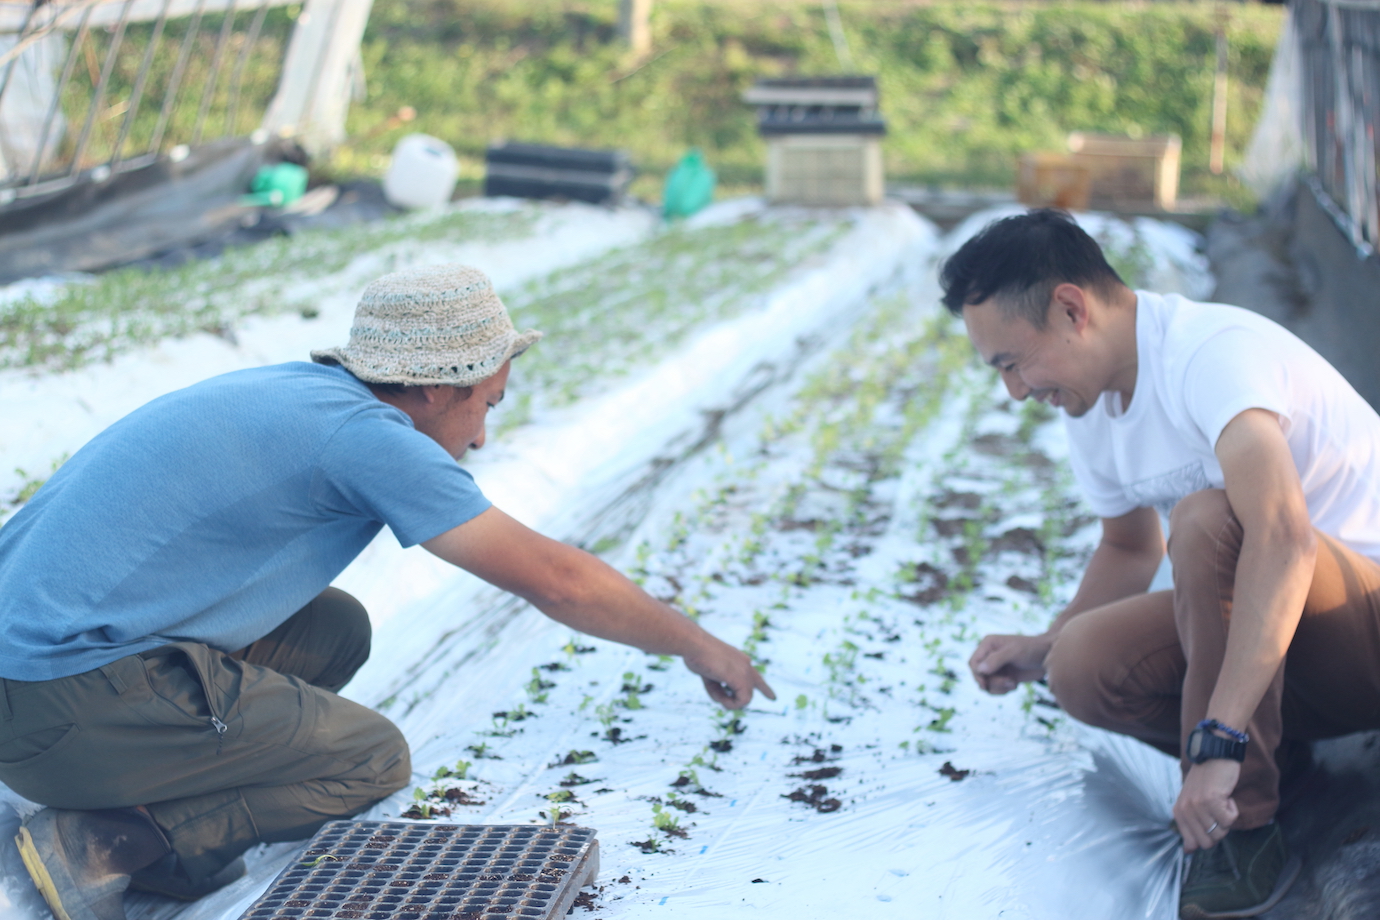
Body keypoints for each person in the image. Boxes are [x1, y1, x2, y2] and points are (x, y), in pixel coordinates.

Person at [1, 265, 774, 920]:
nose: (481, 438)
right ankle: (114, 840)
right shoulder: (369, 440)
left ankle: (143, 767)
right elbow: (560, 582)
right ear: (438, 389)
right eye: (487, 404)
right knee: (368, 760)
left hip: (31, 676)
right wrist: (701, 645)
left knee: (335, 628)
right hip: (52, 708)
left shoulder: (301, 393)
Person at [945, 210, 1380, 920]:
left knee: (1212, 520)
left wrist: (1219, 740)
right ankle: (1278, 767)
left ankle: (1241, 828)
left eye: (1012, 363)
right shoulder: (1092, 408)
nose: (1015, 392)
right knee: (1082, 663)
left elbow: (1283, 536)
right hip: (1294, 641)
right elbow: (1128, 546)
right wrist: (1045, 643)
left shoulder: (1209, 354)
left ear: (1070, 308)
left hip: (1361, 618)